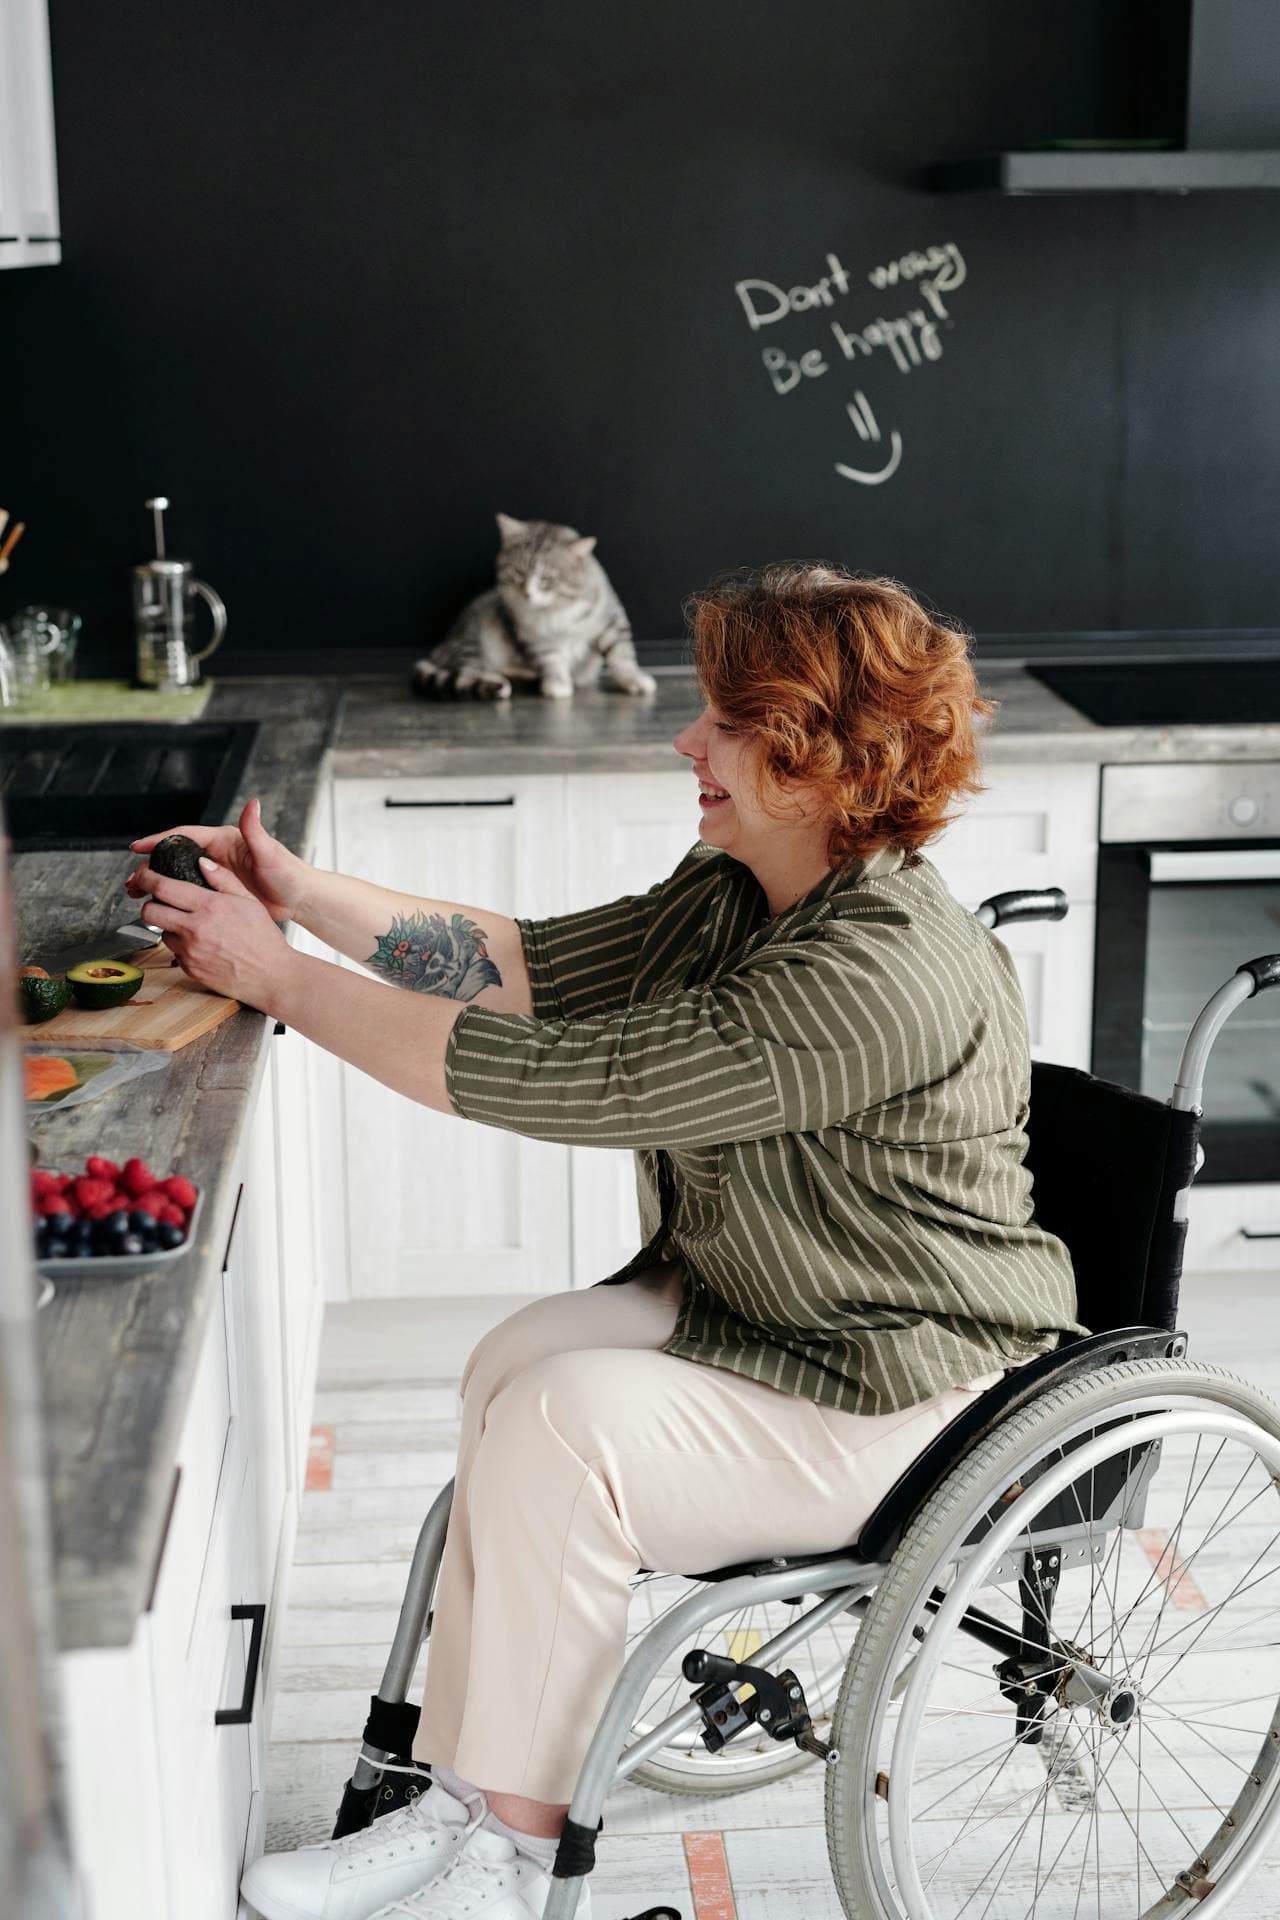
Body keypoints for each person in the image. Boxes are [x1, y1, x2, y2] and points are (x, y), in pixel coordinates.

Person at [127, 565, 1080, 1920]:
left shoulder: (872, 974)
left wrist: (276, 976)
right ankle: (466, 1800)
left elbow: (562, 1079)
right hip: (786, 1303)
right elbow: (531, 966)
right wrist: (299, 891)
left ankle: (515, 1860)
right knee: (515, 1363)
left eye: (724, 723)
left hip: (907, 1382)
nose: (685, 743)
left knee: (565, 1423)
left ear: (818, 754)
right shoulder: (743, 885)